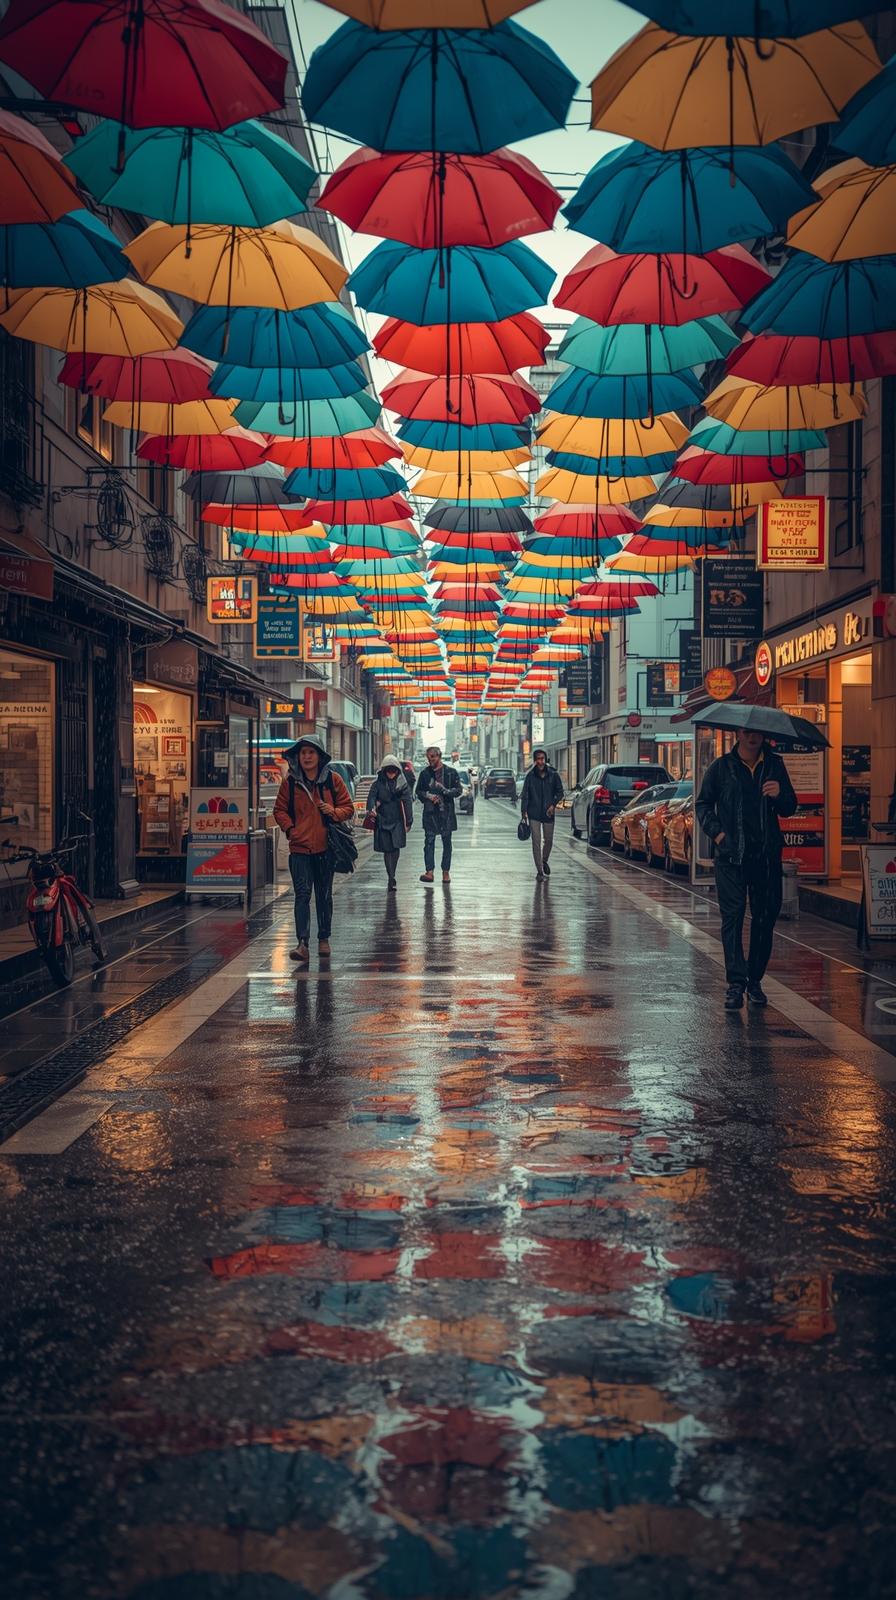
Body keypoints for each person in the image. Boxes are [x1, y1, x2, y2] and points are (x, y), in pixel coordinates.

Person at [696, 727, 797, 1011]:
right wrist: (718, 835)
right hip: (731, 857)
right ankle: (735, 983)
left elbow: (790, 806)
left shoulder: (774, 765)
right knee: (733, 918)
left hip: (765, 857)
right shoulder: (722, 767)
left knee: (765, 919)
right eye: (748, 733)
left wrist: (780, 794)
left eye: (758, 734)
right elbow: (703, 804)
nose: (753, 738)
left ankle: (755, 982)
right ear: (739, 734)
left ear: (764, 737)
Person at [273, 734, 354, 964]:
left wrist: (333, 811)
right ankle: (302, 943)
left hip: (325, 848)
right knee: (302, 895)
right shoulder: (290, 782)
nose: (307, 757)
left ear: (319, 756)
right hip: (299, 849)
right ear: (297, 756)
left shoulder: (333, 780)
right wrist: (290, 830)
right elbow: (279, 810)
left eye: (311, 752)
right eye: (303, 752)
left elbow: (347, 808)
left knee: (324, 895)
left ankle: (324, 938)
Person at [415, 745, 462, 884]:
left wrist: (445, 791)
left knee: (447, 843)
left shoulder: (451, 772)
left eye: (433, 757)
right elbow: (418, 792)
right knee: (429, 842)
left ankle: (445, 872)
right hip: (430, 813)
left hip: (445, 813)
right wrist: (428, 796)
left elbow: (458, 790)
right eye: (428, 757)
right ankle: (429, 872)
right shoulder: (424, 774)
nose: (430, 760)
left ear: (439, 756)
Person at [367, 757, 414, 892]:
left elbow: (407, 802)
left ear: (398, 771)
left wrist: (409, 821)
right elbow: (371, 797)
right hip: (382, 820)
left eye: (394, 771)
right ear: (384, 771)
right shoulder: (378, 784)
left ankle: (392, 874)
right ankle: (391, 877)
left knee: (396, 848)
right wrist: (371, 809)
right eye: (389, 771)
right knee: (388, 850)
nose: (391, 774)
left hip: (398, 820)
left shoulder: (402, 784)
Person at [520, 748, 564, 880]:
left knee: (549, 841)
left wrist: (553, 804)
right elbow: (525, 795)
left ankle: (544, 860)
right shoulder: (530, 776)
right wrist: (524, 811)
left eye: (542, 759)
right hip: (533, 813)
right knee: (536, 842)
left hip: (548, 813)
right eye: (538, 759)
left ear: (545, 760)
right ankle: (540, 871)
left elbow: (560, 792)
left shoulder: (553, 774)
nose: (540, 761)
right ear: (535, 760)